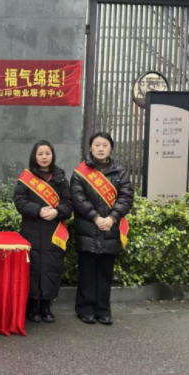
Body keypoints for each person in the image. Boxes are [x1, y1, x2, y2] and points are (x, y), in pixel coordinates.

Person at [70, 132, 134, 325]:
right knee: (87, 271)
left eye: (105, 145)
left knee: (105, 272)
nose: (100, 148)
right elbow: (78, 198)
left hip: (110, 228)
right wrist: (96, 217)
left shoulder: (120, 173)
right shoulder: (80, 173)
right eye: (97, 144)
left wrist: (112, 218)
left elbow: (126, 198)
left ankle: (103, 310)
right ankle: (85, 309)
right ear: (90, 147)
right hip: (87, 227)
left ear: (111, 148)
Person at [14, 140, 73, 323]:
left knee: (51, 267)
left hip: (54, 231)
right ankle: (33, 307)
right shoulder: (26, 178)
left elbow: (69, 204)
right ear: (35, 156)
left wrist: (57, 212)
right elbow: (20, 201)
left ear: (52, 155)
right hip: (31, 230)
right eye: (40, 154)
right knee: (32, 268)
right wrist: (38, 210)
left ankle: (46, 306)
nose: (44, 157)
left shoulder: (61, 179)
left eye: (47, 153)